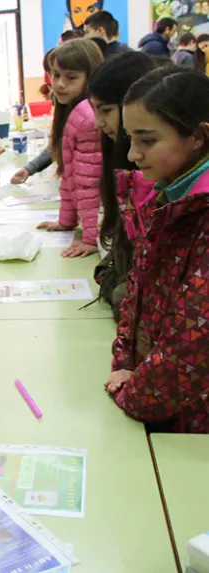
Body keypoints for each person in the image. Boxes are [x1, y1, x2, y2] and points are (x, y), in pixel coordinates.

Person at [105, 67, 209, 433]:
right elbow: (138, 292)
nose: (132, 154)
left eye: (147, 140)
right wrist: (126, 362)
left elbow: (193, 345)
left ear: (197, 137)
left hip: (192, 423)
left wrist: (134, 394)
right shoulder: (167, 197)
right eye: (130, 138)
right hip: (159, 400)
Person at [87, 52, 160, 320]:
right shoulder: (121, 157)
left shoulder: (162, 176)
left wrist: (116, 287)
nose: (98, 123)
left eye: (106, 110)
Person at [36, 39, 104, 257]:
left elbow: (89, 184)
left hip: (103, 228)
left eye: (71, 77)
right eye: (56, 75)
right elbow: (70, 174)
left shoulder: (87, 117)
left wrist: (93, 240)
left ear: (91, 77)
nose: (60, 84)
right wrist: (66, 221)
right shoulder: (71, 108)